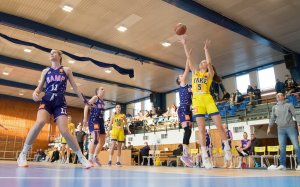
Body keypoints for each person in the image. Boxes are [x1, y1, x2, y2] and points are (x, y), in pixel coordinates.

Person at [17, 49, 92, 169]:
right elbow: (39, 88)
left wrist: (84, 100)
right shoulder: (46, 71)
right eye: (50, 53)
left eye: (54, 52)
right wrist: (34, 94)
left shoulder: (67, 70)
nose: (51, 54)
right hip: (47, 100)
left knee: (64, 130)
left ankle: (81, 157)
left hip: (60, 102)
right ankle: (23, 154)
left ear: (60, 56)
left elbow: (75, 88)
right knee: (40, 122)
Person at [182, 37, 232, 168]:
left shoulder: (209, 74)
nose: (201, 63)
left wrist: (205, 49)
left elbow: (209, 62)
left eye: (203, 62)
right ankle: (204, 156)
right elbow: (189, 59)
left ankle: (227, 148)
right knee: (202, 130)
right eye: (201, 62)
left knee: (219, 126)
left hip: (208, 99)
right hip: (197, 102)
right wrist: (185, 44)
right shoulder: (196, 73)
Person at [267, 93, 300, 171]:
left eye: (279, 95)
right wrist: (269, 127)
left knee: (296, 146)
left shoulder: (289, 105)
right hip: (280, 129)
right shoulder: (274, 107)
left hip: (290, 128)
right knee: (282, 148)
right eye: (276, 96)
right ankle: (282, 164)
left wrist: (298, 124)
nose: (277, 96)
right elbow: (272, 118)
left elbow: (295, 115)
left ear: (283, 97)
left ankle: (299, 164)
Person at [177, 37, 193, 167]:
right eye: (180, 76)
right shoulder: (182, 84)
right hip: (183, 108)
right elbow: (187, 69)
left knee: (189, 131)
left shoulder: (188, 87)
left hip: (189, 109)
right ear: (179, 80)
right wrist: (188, 55)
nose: (182, 76)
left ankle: (186, 155)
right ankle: (184, 155)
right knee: (187, 130)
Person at [83, 86, 106, 166]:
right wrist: (85, 118)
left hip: (101, 122)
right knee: (96, 138)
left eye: (104, 89)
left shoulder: (102, 102)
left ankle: (95, 156)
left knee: (102, 141)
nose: (104, 90)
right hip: (94, 121)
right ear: (97, 91)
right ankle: (90, 159)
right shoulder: (95, 98)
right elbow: (86, 106)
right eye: (102, 89)